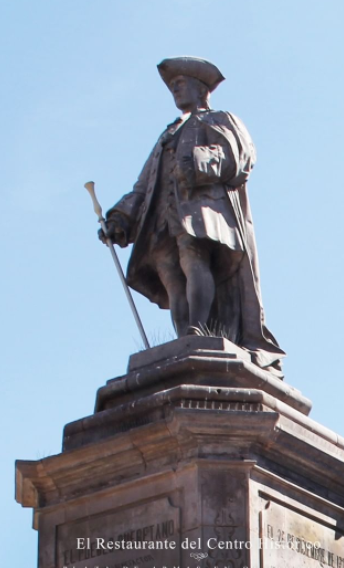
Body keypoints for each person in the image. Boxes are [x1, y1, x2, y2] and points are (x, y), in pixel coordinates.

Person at [100, 56, 285, 375]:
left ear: (201, 90)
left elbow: (239, 157)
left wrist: (200, 162)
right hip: (161, 217)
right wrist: (121, 218)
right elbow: (144, 184)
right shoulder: (167, 135)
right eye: (172, 87)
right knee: (171, 275)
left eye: (180, 84)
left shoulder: (219, 119)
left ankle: (197, 329)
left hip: (202, 210)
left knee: (193, 258)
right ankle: (185, 334)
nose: (175, 91)